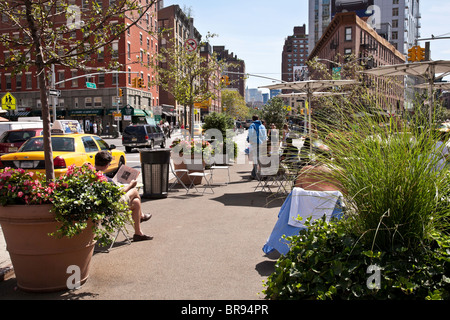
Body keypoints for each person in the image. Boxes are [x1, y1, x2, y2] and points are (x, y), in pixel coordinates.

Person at [94, 151, 153, 242]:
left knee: (136, 202)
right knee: (134, 190)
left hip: (102, 205)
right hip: (110, 207)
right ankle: (141, 216)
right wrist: (131, 185)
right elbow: (118, 193)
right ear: (107, 165)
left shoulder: (93, 174)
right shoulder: (104, 179)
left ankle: (138, 233)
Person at [247, 115, 267, 179]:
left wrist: (249, 140)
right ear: (258, 119)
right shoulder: (262, 126)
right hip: (261, 144)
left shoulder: (252, 126)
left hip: (254, 144)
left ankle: (256, 174)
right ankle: (258, 173)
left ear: (252, 119)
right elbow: (265, 136)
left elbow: (250, 135)